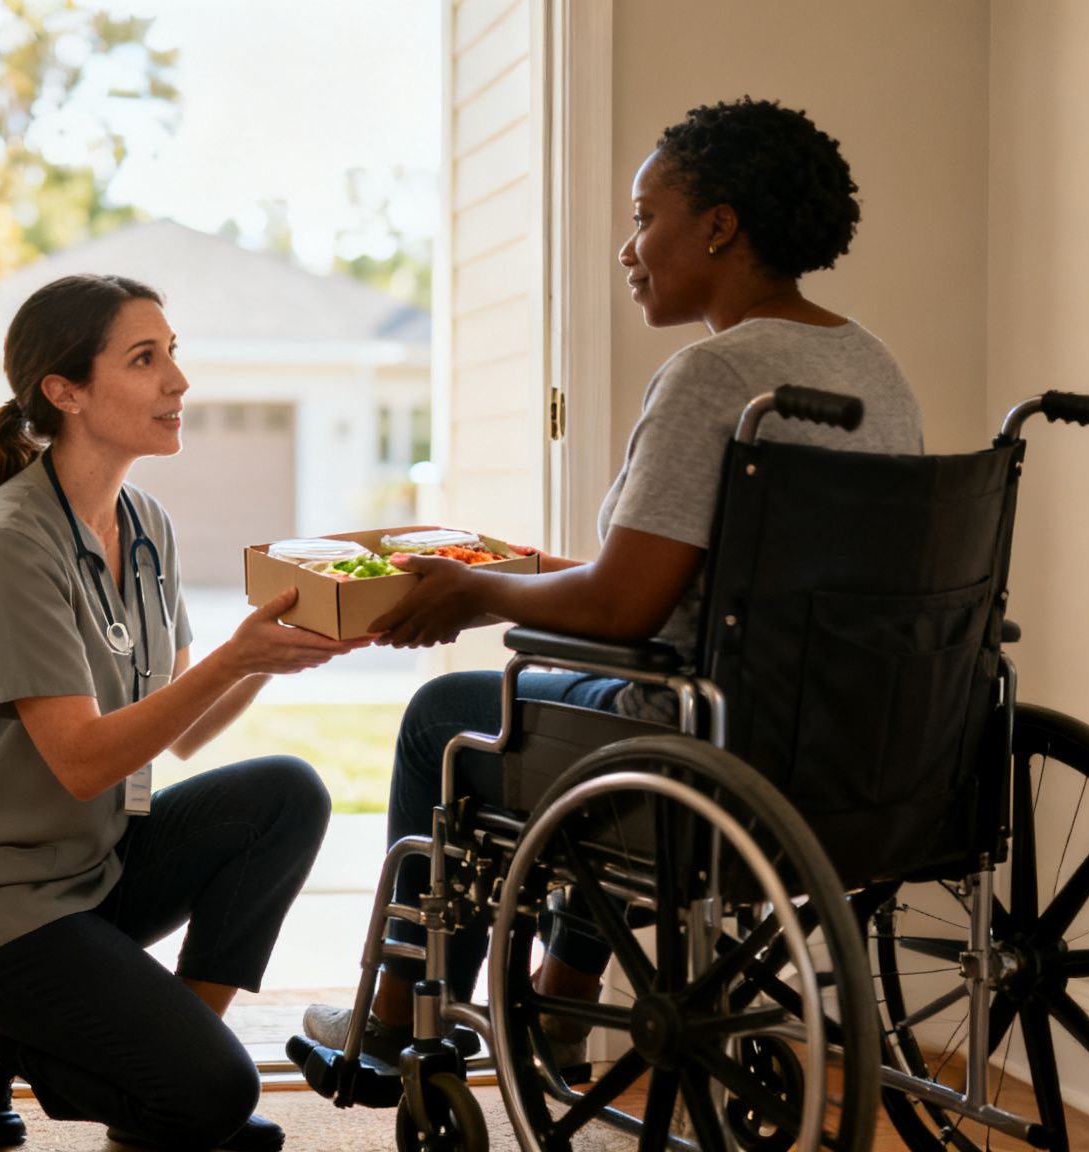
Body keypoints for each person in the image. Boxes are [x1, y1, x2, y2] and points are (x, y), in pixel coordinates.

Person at [302, 97, 926, 1062]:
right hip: (857, 744)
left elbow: (623, 606)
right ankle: (559, 999)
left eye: (644, 217)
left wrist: (476, 595)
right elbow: (679, 586)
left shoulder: (715, 376)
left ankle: (392, 1022)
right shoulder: (871, 365)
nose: (629, 247)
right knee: (604, 697)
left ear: (718, 225)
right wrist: (515, 567)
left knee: (451, 717)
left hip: (707, 740)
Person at [0, 273, 365, 1151]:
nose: (178, 381)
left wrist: (278, 647)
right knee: (214, 1100)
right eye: (145, 359)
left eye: (173, 353)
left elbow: (183, 732)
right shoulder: (8, 544)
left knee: (286, 794)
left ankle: (176, 1058)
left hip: (94, 871)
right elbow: (80, 760)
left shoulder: (144, 523)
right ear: (63, 391)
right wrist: (235, 655)